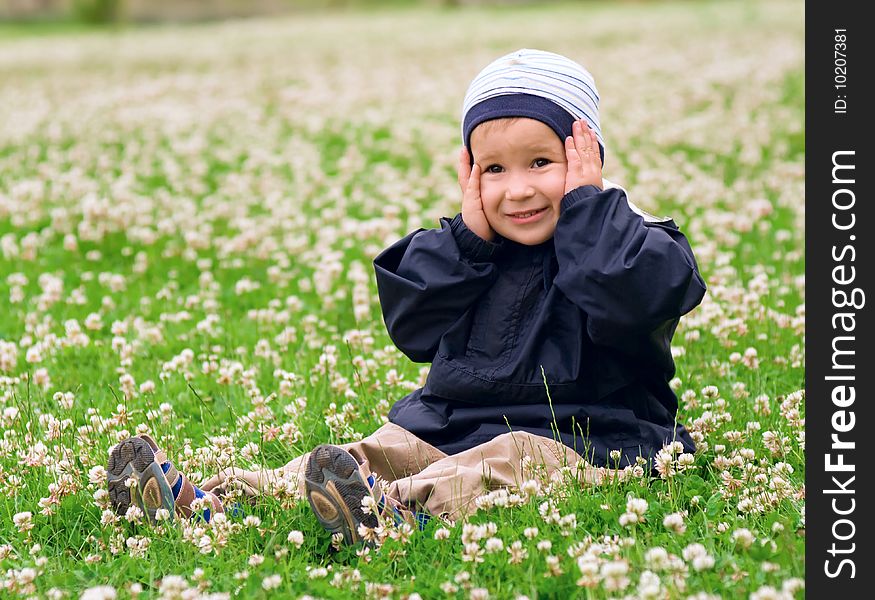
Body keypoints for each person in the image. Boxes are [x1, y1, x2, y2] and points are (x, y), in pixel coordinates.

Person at [106, 49, 706, 546]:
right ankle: (210, 499)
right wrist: (468, 244)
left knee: (511, 463)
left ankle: (391, 513)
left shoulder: (628, 239)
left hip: (587, 435)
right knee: (380, 447)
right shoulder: (467, 248)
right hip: (447, 424)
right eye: (493, 169)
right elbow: (412, 325)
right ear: (469, 172)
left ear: (588, 157)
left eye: (542, 163)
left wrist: (588, 211)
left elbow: (635, 297)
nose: (518, 189)